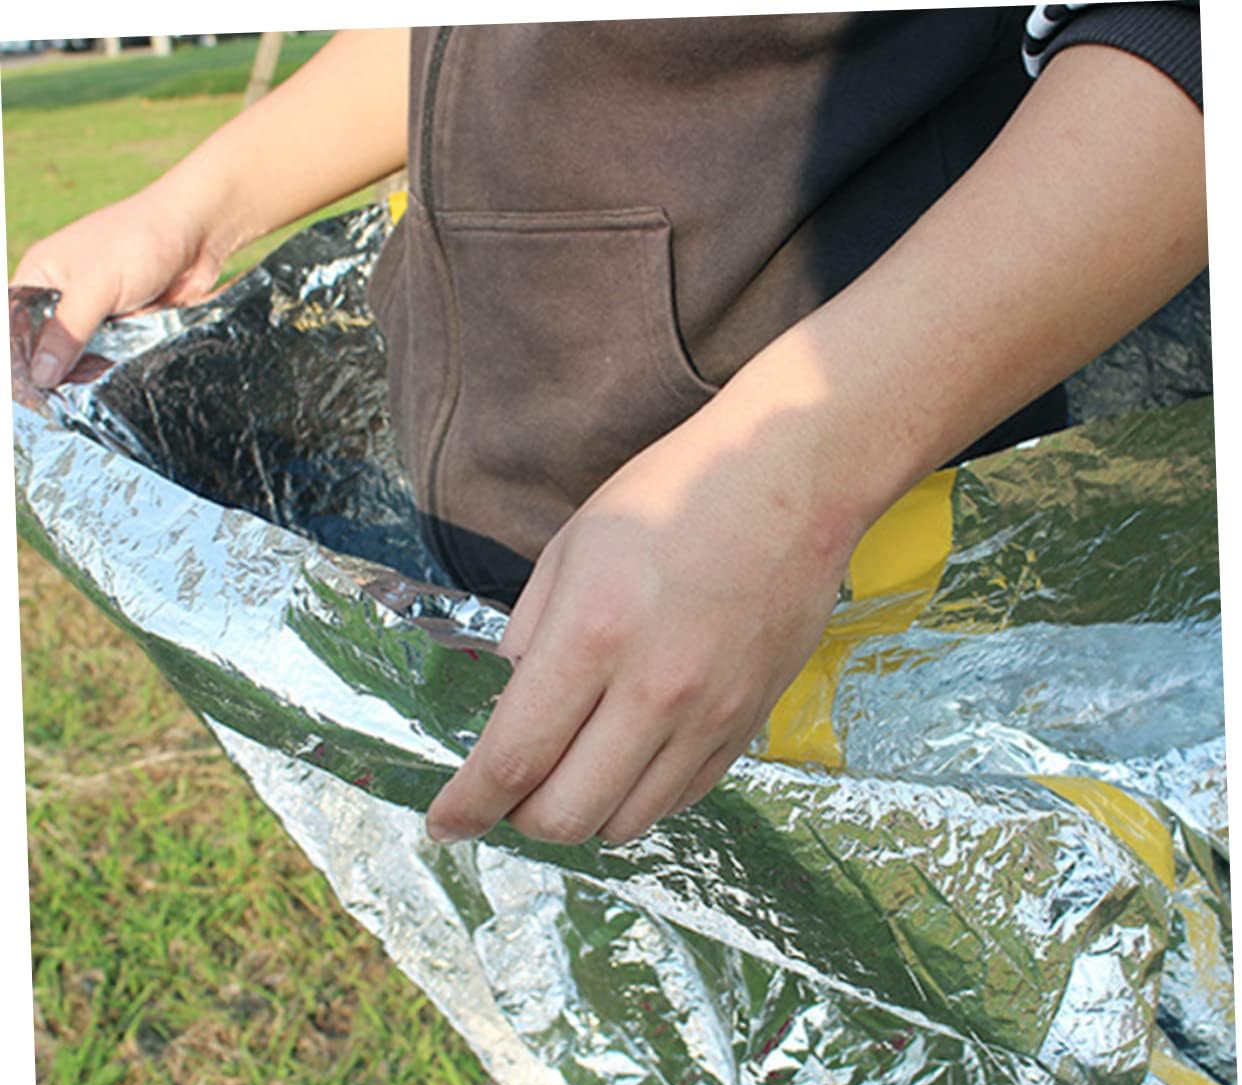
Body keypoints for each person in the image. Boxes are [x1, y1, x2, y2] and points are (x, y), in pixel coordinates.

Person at [11, 7, 1207, 852]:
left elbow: (1184, 38)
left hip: (826, 574)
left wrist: (792, 475)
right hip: (554, 573)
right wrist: (201, 202)